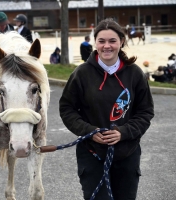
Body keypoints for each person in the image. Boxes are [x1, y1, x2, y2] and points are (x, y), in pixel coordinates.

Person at [59, 18, 154, 200]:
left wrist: (123, 132)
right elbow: (67, 109)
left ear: (121, 42)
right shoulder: (81, 74)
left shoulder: (135, 74)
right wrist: (89, 131)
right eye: (101, 41)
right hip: (92, 152)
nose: (107, 46)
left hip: (127, 152)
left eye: (112, 41)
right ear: (96, 43)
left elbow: (145, 112)